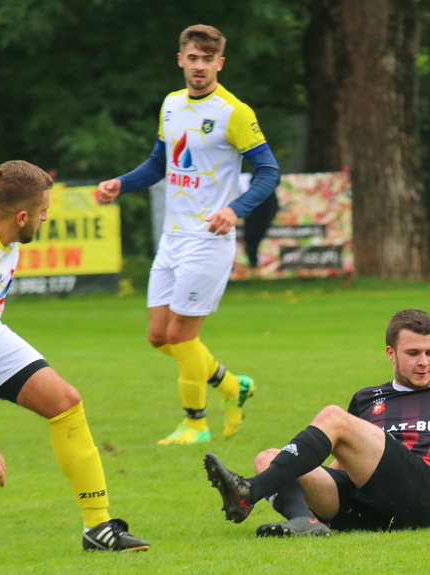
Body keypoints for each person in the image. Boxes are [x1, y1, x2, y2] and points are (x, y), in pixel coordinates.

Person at [0, 161, 150, 552]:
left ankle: (98, 529)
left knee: (65, 403)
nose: (46, 217)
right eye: (44, 212)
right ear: (22, 215)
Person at [203, 309, 430, 536]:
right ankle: (304, 521)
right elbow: (344, 464)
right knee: (268, 457)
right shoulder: (368, 398)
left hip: (424, 495)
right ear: (391, 353)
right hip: (367, 503)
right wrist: (311, 484)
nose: (424, 363)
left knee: (332, 417)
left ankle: (249, 492)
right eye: (413, 353)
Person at [95, 24, 281, 443]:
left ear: (220, 63)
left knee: (181, 335)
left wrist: (236, 209)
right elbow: (159, 164)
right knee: (158, 337)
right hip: (172, 238)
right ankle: (233, 386)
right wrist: (120, 184)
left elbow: (269, 172)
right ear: (181, 59)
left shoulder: (235, 112)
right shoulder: (171, 105)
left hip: (209, 239)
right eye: (192, 58)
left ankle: (196, 423)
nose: (199, 66)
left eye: (207, 59)